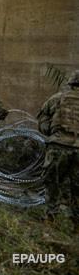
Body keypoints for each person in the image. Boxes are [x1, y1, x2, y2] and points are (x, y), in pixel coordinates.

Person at [37, 70, 79, 229]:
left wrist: (52, 134)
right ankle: (76, 223)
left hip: (59, 146)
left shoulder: (57, 98)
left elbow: (42, 121)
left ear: (71, 83)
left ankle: (50, 216)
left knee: (52, 182)